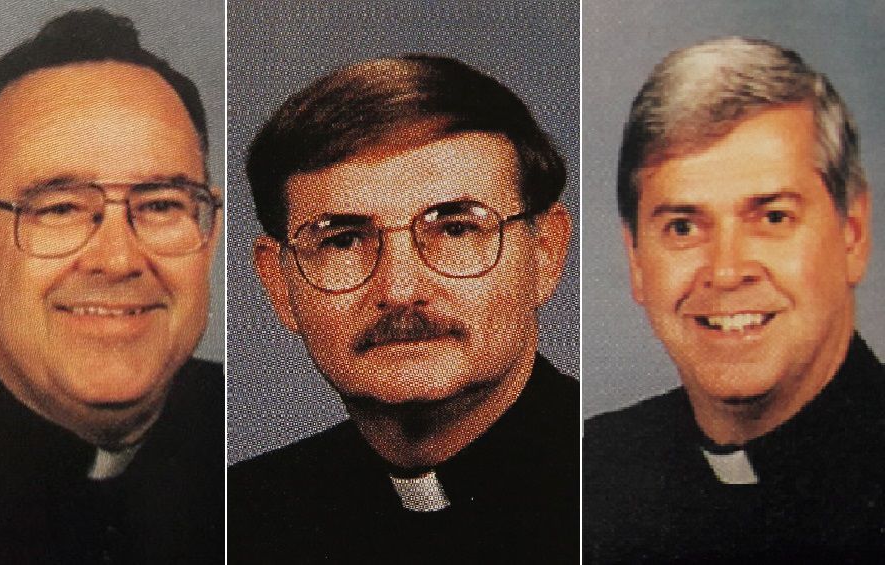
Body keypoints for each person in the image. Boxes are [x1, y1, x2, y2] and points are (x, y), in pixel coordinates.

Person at [228, 54, 576, 562]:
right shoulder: (242, 518)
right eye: (343, 241)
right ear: (280, 284)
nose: (399, 288)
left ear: (545, 253)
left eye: (456, 229)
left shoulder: (616, 489)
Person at [0, 9, 223, 564]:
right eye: (60, 208)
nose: (118, 259)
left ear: (207, 239)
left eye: (161, 204)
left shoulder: (244, 459)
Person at [584, 36, 885, 562]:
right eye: (682, 226)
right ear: (635, 260)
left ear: (852, 235)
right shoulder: (588, 472)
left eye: (772, 218)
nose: (725, 272)